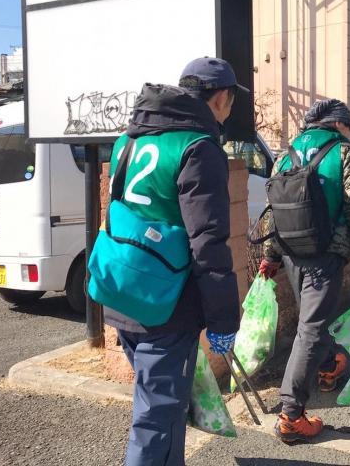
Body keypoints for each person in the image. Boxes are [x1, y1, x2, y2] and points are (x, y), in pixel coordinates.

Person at [105, 57, 246, 465]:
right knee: (155, 418)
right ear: (222, 98)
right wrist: (223, 321)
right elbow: (209, 245)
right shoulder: (198, 148)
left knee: (162, 409)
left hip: (122, 288)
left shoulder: (128, 140)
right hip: (167, 304)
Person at [259, 99, 350, 444]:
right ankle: (291, 416)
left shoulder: (286, 154)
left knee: (313, 323)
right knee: (311, 328)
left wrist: (271, 255)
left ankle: (328, 368)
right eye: (348, 128)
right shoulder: (343, 153)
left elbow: (273, 209)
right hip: (326, 255)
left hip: (293, 254)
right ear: (338, 124)